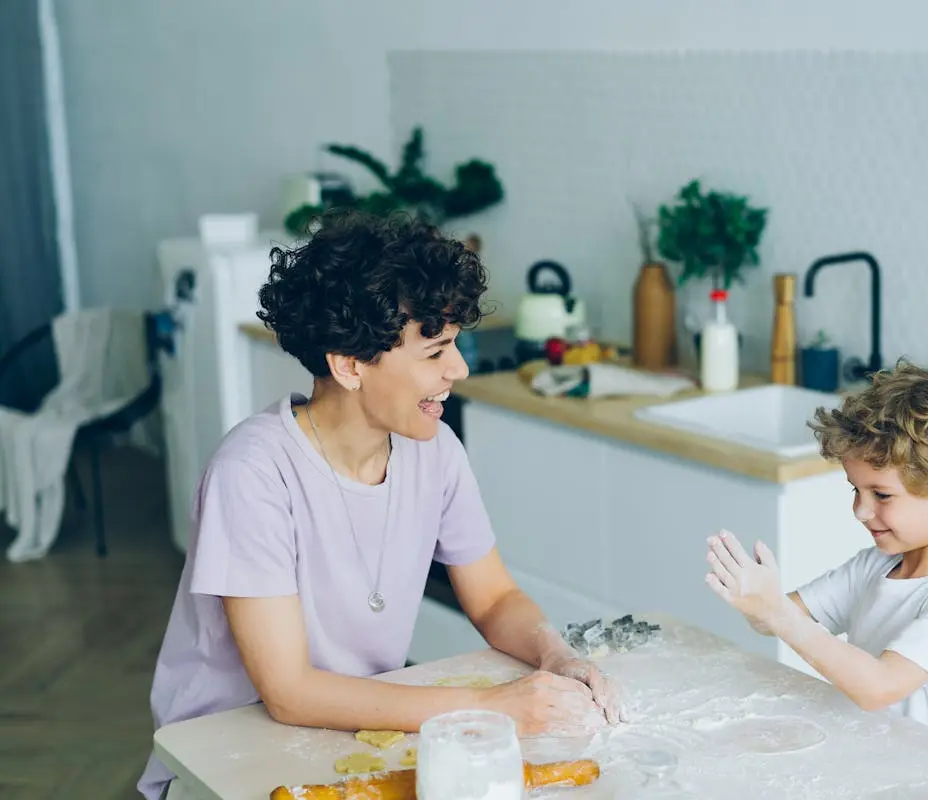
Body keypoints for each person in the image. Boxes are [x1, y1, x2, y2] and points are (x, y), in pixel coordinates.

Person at [138, 209, 621, 800]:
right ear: (349, 365)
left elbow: (494, 597)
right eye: (435, 351)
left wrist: (556, 655)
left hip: (351, 735)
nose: (460, 369)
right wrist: (489, 709)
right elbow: (288, 692)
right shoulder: (252, 473)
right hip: (222, 758)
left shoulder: (435, 449)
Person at [704, 362, 928, 752]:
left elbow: (879, 688)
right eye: (855, 489)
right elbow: (776, 620)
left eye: (882, 495)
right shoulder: (873, 567)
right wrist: (757, 600)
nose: (860, 510)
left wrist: (776, 613)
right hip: (886, 767)